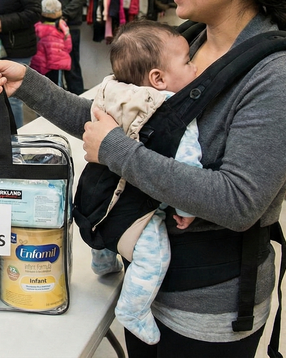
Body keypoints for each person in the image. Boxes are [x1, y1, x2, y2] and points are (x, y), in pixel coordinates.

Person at [0, 0, 286, 356]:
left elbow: (238, 202)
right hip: (146, 285)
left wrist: (115, 150)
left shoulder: (279, 75)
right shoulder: (187, 45)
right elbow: (110, 121)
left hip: (206, 311)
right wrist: (28, 84)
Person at [81, 20, 200, 345]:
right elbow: (187, 166)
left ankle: (103, 261)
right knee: (153, 255)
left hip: (97, 197)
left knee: (105, 231)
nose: (195, 66)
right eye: (188, 61)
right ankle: (133, 310)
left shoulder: (107, 92)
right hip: (136, 208)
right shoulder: (173, 115)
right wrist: (186, 207)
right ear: (158, 79)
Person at [30, 0, 72, 86]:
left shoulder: (37, 27)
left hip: (39, 65)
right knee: (56, 90)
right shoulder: (63, 28)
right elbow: (68, 47)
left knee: (40, 88)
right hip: (56, 66)